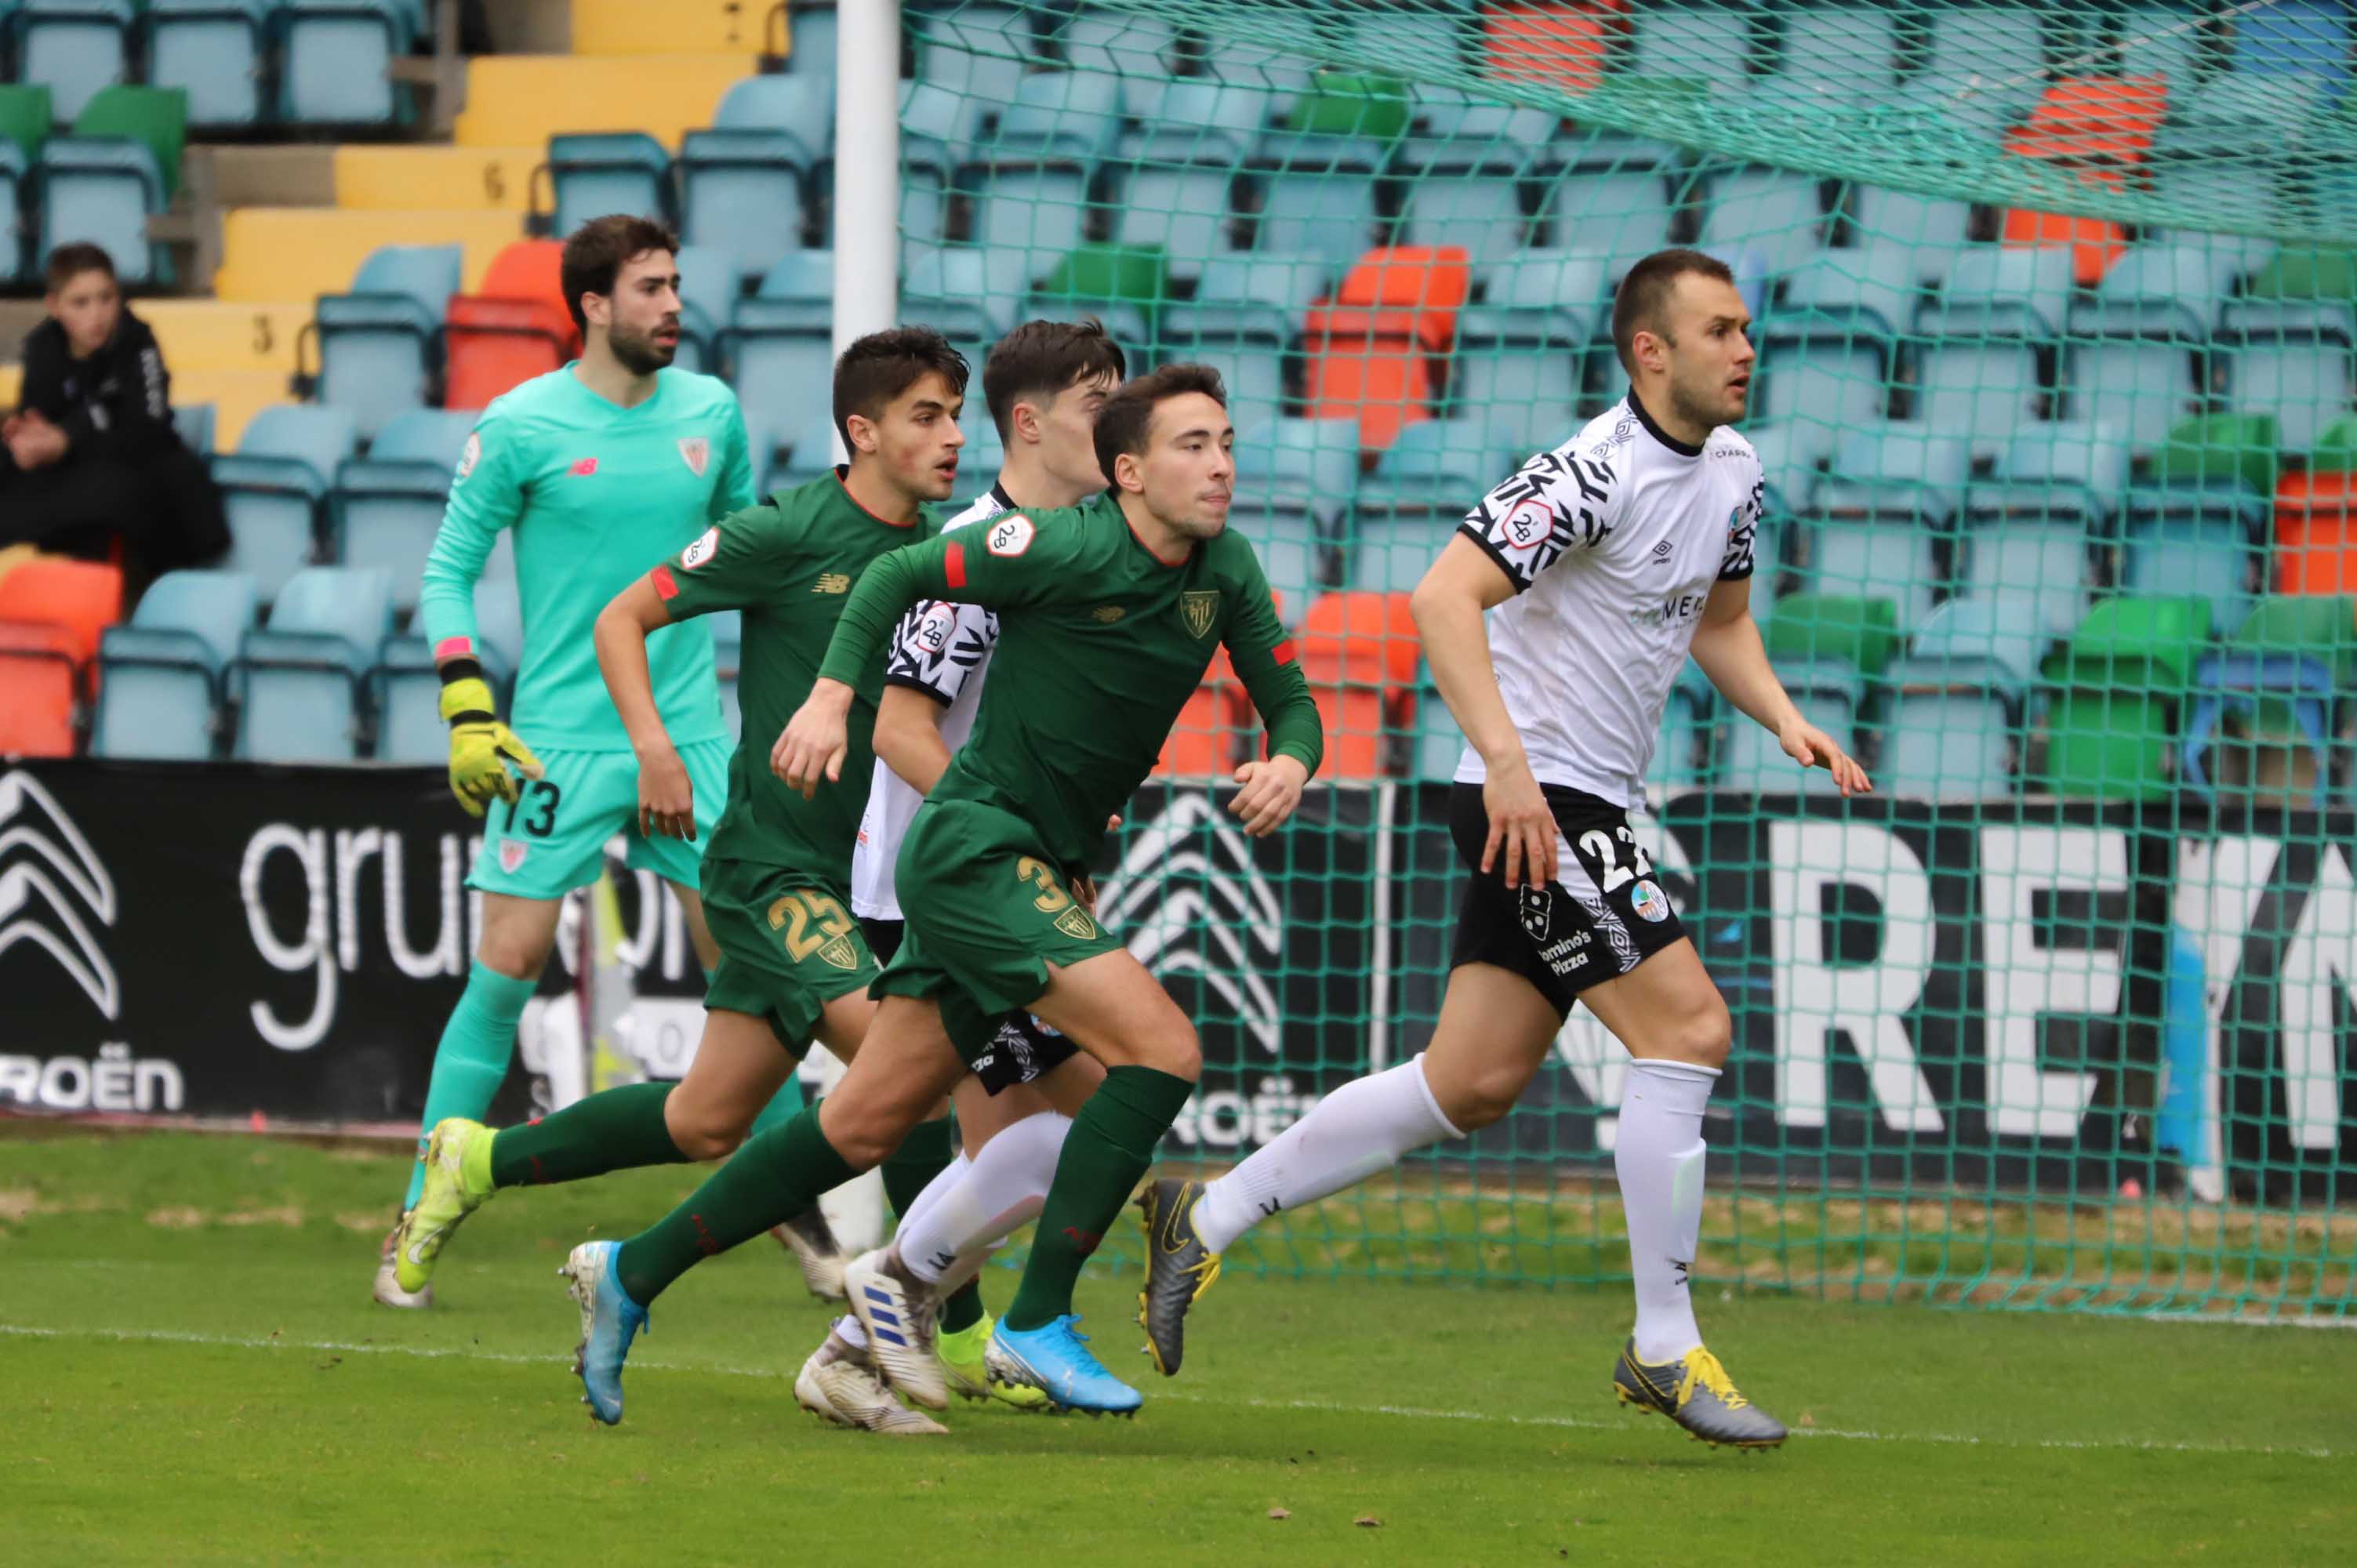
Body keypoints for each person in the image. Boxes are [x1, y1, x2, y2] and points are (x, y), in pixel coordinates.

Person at [1135, 249, 1871, 1451]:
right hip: (1538, 802)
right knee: (1687, 1030)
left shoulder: (1734, 472)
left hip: (1579, 803)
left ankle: (1201, 1218)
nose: (1746, 350)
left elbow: (1720, 624)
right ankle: (1662, 1346)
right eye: (1721, 330)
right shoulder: (1587, 472)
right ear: (1651, 351)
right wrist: (1514, 765)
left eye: (1747, 328)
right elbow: (1440, 599)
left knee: (1467, 1084)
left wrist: (1782, 715)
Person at [558, 364, 1324, 1424]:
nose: (1222, 464)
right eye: (1194, 445)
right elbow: (891, 582)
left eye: (1228, 442)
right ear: (1131, 470)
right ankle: (1034, 1320)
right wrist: (832, 700)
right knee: (1160, 1054)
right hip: (976, 853)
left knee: (866, 1124)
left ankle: (630, 1273)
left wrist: (1290, 758)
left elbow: (1288, 696)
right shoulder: (1049, 543)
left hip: (1031, 865)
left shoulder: (1225, 568)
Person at [381, 216, 828, 1307]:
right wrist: (465, 707)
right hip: (561, 747)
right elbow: (445, 575)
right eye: (650, 288)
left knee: (755, 977)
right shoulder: (522, 425)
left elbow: (747, 567)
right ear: (591, 305)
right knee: (506, 972)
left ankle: (796, 1219)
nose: (674, 304)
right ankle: (419, 1207)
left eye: (677, 284)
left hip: (690, 739)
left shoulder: (709, 413)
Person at [802, 318, 1128, 1424]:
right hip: (944, 890)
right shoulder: (979, 553)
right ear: (1031, 424)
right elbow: (900, 729)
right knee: (1100, 1106)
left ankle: (890, 1328)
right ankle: (881, 1307)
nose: (1120, 429)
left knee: (1009, 1136)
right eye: (1100, 408)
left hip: (984, 886)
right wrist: (1012, 848)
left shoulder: (1075, 542)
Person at [2, 243, 226, 589]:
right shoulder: (42, 348)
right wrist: (28, 441)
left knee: (118, 488)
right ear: (54, 306)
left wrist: (69, 439)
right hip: (72, 478)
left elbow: (149, 429)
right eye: (81, 302)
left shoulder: (139, 341)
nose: (97, 314)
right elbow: (40, 421)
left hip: (138, 471)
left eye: (106, 298)